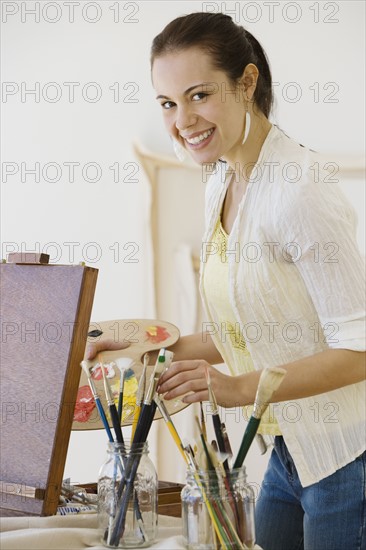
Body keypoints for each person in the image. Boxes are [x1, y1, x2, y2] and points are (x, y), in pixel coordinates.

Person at [87, 12, 366, 550]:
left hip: (346, 457)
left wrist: (238, 387)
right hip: (287, 454)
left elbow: (359, 347)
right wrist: (150, 353)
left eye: (198, 95)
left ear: (247, 82)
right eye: (168, 103)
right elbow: (254, 326)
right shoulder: (223, 179)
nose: (183, 120)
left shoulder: (301, 191)